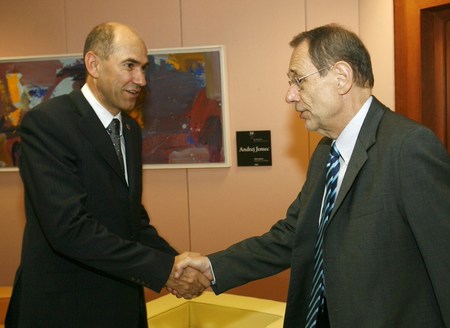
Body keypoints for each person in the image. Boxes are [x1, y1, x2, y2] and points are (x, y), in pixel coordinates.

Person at [174, 24, 450, 328]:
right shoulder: (325, 153)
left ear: (342, 77)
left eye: (298, 81)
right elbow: (292, 234)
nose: (289, 95)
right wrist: (213, 267)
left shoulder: (408, 147)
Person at [5, 22, 209, 328]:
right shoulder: (48, 123)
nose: (140, 79)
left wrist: (177, 265)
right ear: (93, 64)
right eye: (129, 66)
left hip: (122, 305)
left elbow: (132, 220)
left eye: (143, 68)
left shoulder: (130, 130)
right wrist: (164, 269)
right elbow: (69, 229)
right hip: (63, 311)